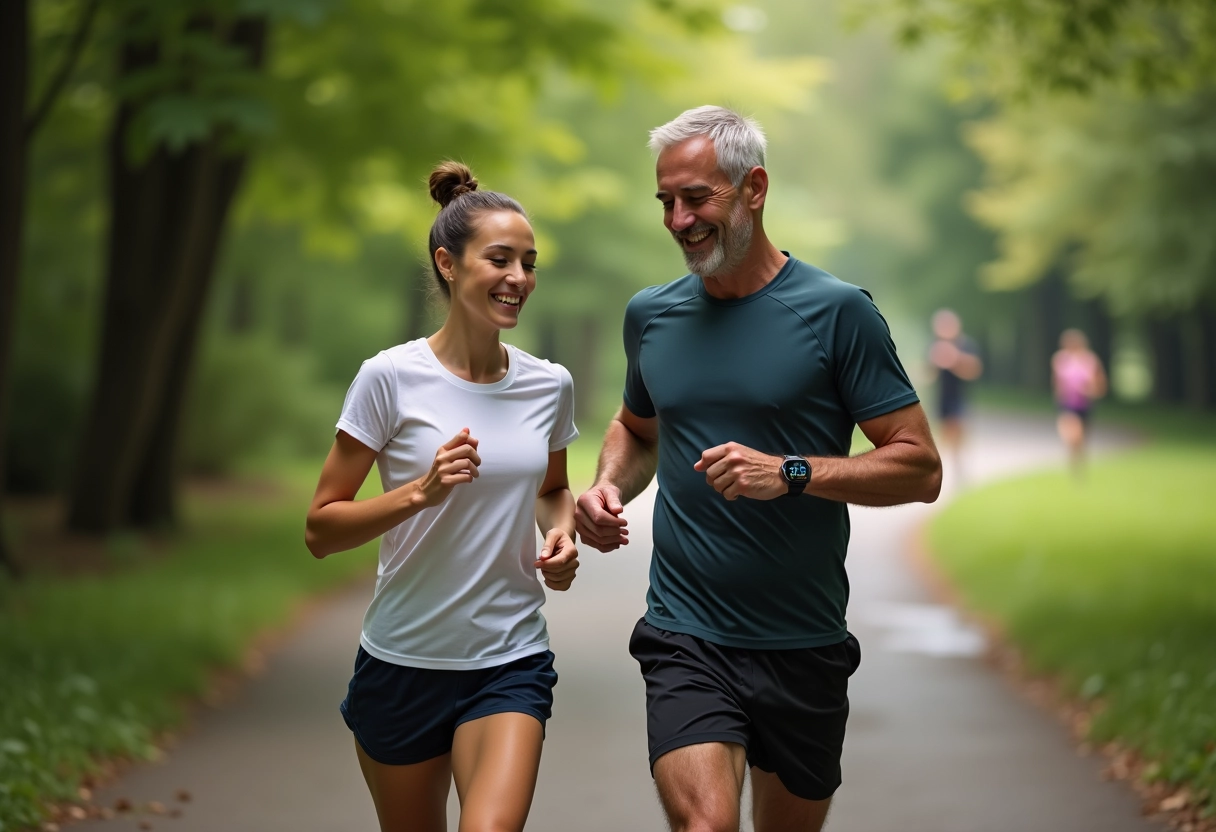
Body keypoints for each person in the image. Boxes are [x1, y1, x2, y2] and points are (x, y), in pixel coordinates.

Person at [575, 105, 942, 832]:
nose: (679, 220)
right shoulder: (650, 316)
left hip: (802, 639)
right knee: (706, 824)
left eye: (697, 198)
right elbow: (635, 428)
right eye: (667, 203)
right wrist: (607, 485)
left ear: (754, 188)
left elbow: (919, 466)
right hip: (686, 631)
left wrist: (793, 472)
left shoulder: (838, 314)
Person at [304, 161, 580, 832]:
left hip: (508, 659)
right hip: (402, 662)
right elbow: (321, 529)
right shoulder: (389, 379)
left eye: (529, 262)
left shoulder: (549, 385)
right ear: (448, 265)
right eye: (500, 259)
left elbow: (553, 488)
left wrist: (560, 533)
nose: (520, 278)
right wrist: (419, 493)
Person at [928, 308, 983, 482]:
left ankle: (959, 469)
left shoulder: (966, 345)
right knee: (944, 433)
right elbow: (931, 373)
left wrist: (954, 359)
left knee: (958, 431)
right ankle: (939, 469)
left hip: (960, 396)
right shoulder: (935, 346)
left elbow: (974, 370)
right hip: (942, 397)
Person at [1052, 328, 1107, 478]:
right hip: (1067, 404)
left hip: (1085, 404)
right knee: (1072, 435)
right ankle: (1074, 465)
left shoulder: (1090, 360)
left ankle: (1078, 467)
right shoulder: (1060, 359)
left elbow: (1100, 384)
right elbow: (1057, 383)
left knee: (1081, 440)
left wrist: (1090, 390)